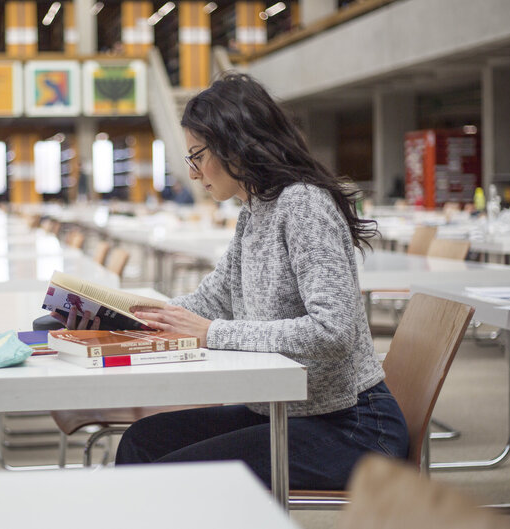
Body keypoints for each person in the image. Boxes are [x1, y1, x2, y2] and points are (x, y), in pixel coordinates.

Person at [56, 74, 409, 490]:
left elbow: (334, 331)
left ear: (236, 144)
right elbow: (213, 298)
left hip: (355, 426)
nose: (193, 174)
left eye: (197, 156)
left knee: (168, 474)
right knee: (142, 441)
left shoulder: (304, 204)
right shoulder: (255, 210)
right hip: (289, 408)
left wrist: (212, 333)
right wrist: (130, 319)